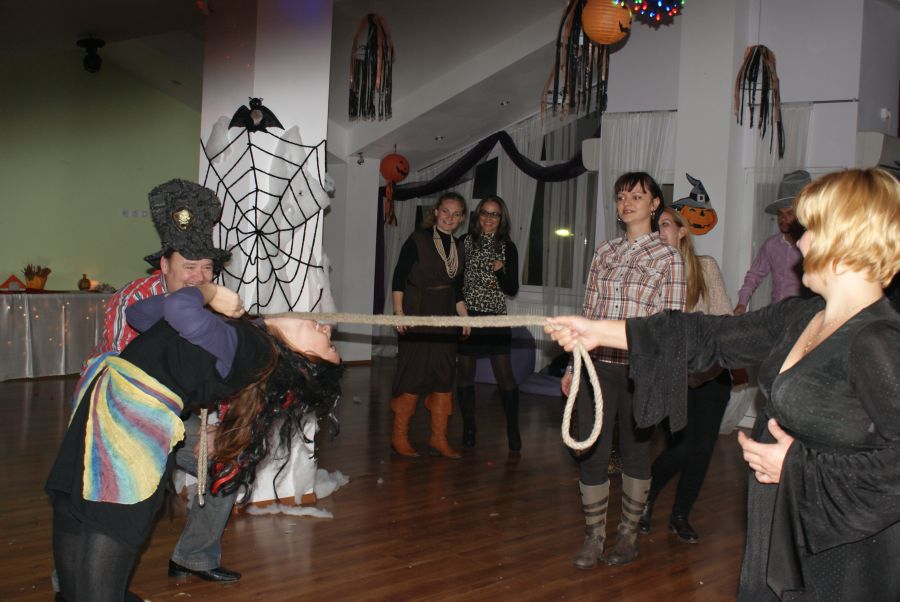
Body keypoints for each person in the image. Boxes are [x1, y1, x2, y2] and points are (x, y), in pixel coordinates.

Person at [546, 168, 900, 600]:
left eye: (811, 230)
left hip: (842, 560)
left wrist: (797, 467)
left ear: (848, 238)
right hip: (780, 534)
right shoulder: (800, 316)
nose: (800, 242)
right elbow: (707, 335)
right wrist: (597, 331)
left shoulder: (879, 341)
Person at [47, 280, 343, 601]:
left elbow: (179, 310)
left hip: (128, 435)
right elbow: (140, 316)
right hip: (103, 414)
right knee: (72, 524)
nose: (327, 328)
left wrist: (209, 292)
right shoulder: (249, 332)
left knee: (102, 546)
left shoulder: (256, 348)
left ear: (304, 362)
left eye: (329, 345)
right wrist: (205, 300)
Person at [85, 179, 246, 584]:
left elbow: (224, 368)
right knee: (112, 493)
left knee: (227, 464)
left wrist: (217, 425)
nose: (199, 278)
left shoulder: (215, 302)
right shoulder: (133, 300)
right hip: (120, 418)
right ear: (164, 266)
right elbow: (115, 377)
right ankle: (72, 582)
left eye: (207, 268)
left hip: (181, 416)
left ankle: (194, 557)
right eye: (189, 267)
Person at [560, 172, 685, 570]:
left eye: (636, 196)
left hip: (640, 371)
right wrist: (572, 366)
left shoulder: (668, 258)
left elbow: (672, 324)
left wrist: (665, 378)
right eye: (621, 197)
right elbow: (588, 313)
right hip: (596, 367)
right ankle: (593, 537)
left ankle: (628, 536)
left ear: (654, 205)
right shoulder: (604, 251)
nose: (626, 203)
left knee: (635, 453)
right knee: (591, 452)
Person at [637, 207, 733, 543]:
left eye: (665, 224)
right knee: (681, 449)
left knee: (702, 451)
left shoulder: (705, 267)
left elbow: (723, 318)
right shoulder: (651, 273)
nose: (659, 230)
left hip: (711, 373)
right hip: (673, 374)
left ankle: (680, 515)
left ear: (681, 231)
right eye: (655, 226)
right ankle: (645, 499)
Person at [391, 192, 470, 459]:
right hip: (418, 312)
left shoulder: (459, 247)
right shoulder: (417, 240)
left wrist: (464, 317)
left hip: (446, 315)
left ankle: (438, 438)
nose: (450, 218)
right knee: (413, 373)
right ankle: (399, 437)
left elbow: (458, 288)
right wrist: (399, 312)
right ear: (436, 211)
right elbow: (399, 276)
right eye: (445, 211)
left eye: (456, 214)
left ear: (462, 218)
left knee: (444, 374)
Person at [457, 196, 520, 451]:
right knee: (465, 374)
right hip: (468, 316)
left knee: (505, 376)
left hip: (495, 317)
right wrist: (460, 313)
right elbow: (456, 281)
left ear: (501, 218)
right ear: (478, 215)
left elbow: (512, 289)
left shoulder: (508, 247)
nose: (489, 218)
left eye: (494, 214)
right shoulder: (464, 242)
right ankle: (469, 428)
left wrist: (500, 270)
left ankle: (513, 428)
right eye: (484, 212)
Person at [734, 170, 811, 315]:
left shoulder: (815, 245)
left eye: (789, 213)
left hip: (803, 316)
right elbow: (754, 275)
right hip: (776, 314)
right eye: (780, 214)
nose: (783, 219)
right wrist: (742, 304)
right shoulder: (771, 245)